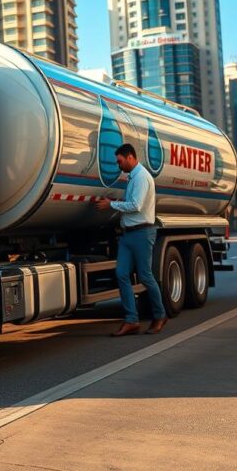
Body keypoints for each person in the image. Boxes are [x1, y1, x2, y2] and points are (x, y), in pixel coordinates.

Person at [95, 143, 167, 336]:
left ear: (129, 157)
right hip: (128, 235)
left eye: (120, 161)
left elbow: (136, 205)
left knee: (145, 276)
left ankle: (160, 316)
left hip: (142, 233)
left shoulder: (142, 177)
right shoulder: (132, 177)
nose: (118, 165)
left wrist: (112, 204)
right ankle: (131, 320)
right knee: (121, 274)